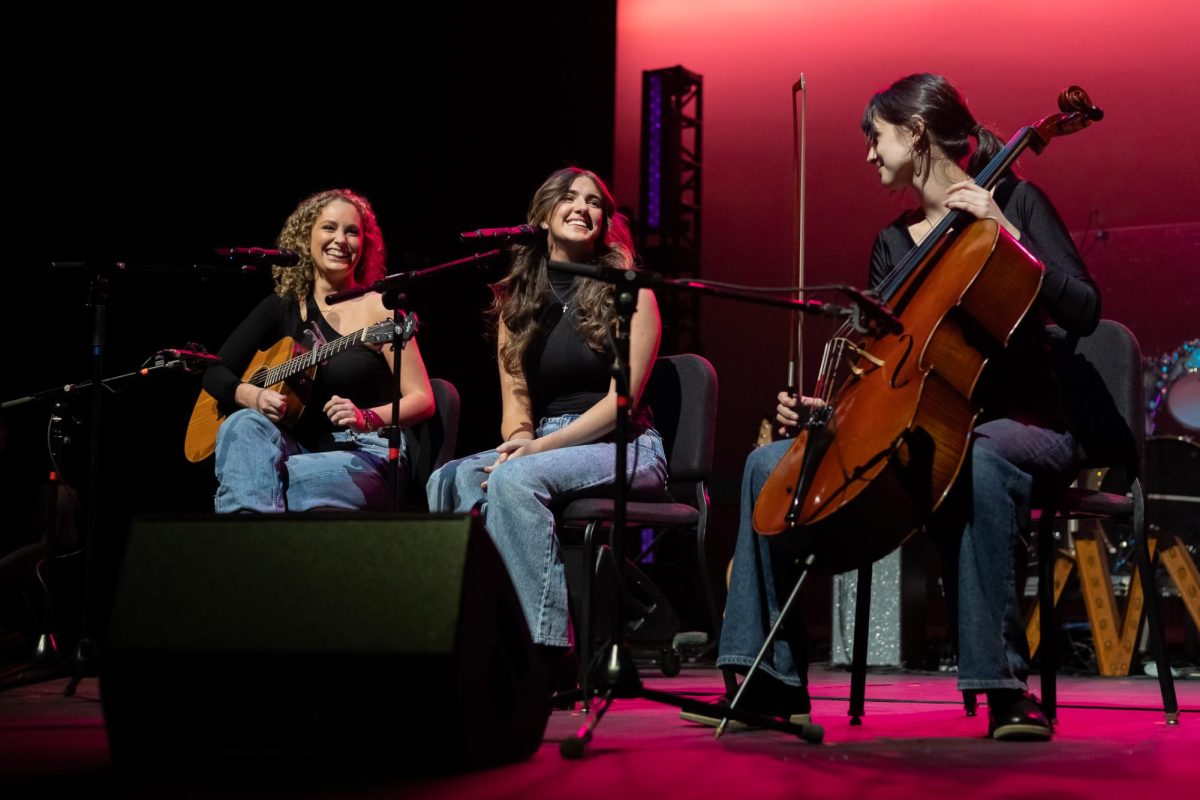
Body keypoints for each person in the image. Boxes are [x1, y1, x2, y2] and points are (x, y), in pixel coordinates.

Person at [697, 73, 1100, 741]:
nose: (868, 154)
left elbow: (1085, 310)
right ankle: (771, 681)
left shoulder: (1018, 199)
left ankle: (1003, 688)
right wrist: (824, 411)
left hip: (1025, 423)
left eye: (875, 138)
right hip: (921, 424)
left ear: (915, 134)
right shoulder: (893, 242)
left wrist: (1006, 233)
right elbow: (883, 359)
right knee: (768, 465)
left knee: (983, 456)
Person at [426, 167, 668, 683]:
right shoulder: (519, 302)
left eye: (595, 202)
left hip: (626, 445)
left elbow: (621, 403)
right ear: (542, 215)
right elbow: (516, 403)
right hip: (546, 443)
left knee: (516, 478)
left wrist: (538, 451)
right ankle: (478, 636)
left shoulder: (629, 293)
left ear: (605, 221)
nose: (583, 207)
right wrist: (520, 442)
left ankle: (547, 653)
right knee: (451, 478)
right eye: (569, 197)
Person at [204, 189, 434, 513]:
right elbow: (213, 370)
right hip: (297, 449)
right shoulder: (281, 308)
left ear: (364, 244)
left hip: (365, 453)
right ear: (305, 237)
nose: (340, 239)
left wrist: (366, 417)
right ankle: (250, 549)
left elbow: (424, 399)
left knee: (266, 478)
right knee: (240, 426)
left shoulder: (380, 311)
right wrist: (251, 397)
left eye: (352, 231)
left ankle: (247, 547)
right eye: (329, 228)